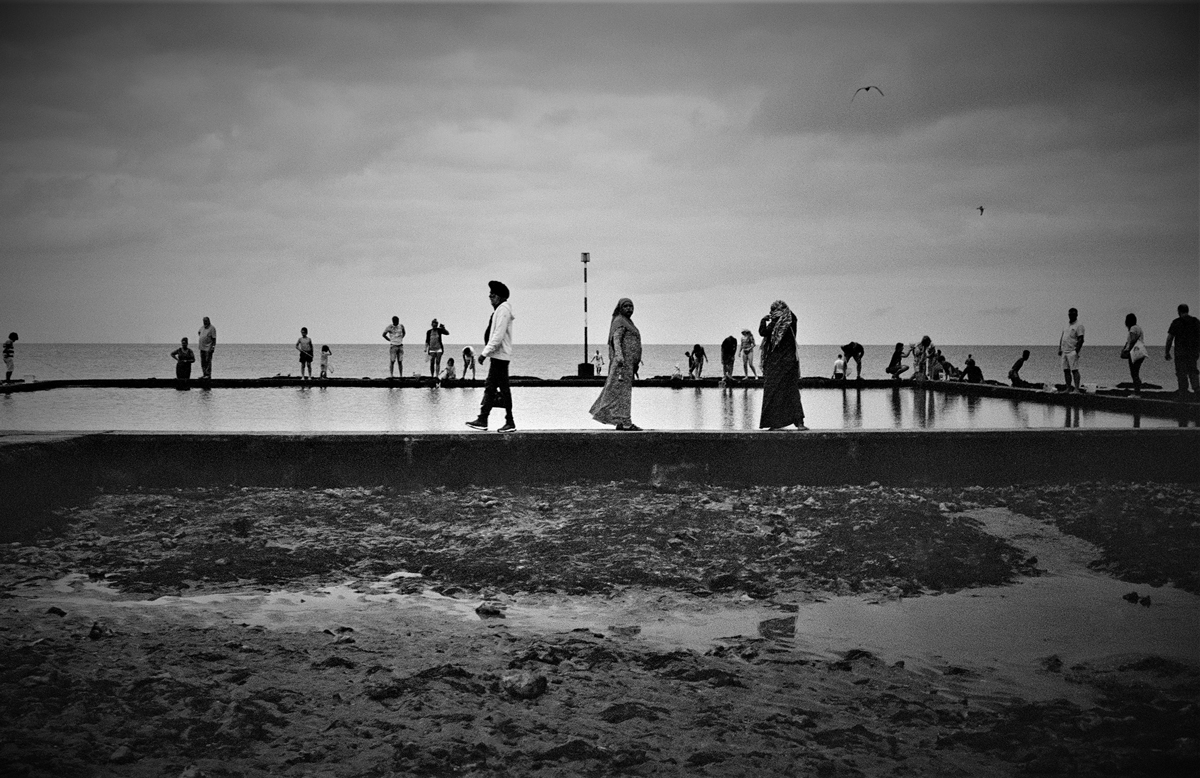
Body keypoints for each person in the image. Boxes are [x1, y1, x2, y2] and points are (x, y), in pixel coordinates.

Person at [466, 280, 516, 432]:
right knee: (492, 388)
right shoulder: (499, 310)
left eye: (492, 296)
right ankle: (485, 419)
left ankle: (505, 421)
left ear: (500, 297)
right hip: (498, 355)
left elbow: (498, 335)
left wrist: (484, 353)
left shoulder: (503, 310)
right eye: (489, 296)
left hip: (500, 356)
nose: (490, 298)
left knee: (498, 388)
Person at [589, 297, 643, 431]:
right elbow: (616, 339)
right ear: (620, 308)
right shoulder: (620, 321)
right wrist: (619, 356)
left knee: (620, 393)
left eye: (631, 306)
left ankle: (620, 421)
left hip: (628, 365)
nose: (629, 309)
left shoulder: (628, 322)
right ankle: (626, 422)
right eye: (626, 306)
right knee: (621, 393)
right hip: (622, 365)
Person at [758, 300, 807, 430]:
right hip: (789, 362)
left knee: (773, 392)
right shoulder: (791, 320)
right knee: (792, 392)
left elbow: (763, 332)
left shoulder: (775, 323)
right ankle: (799, 422)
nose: (771, 313)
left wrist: (763, 320)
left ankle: (774, 423)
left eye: (772, 311)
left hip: (775, 363)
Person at [1165, 303, 1199, 397]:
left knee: (1181, 373)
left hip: (1180, 353)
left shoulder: (1176, 322)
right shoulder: (1195, 321)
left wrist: (1167, 352)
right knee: (1193, 371)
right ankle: (1197, 390)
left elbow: (1170, 338)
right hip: (1193, 352)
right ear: (1187, 310)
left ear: (1179, 312)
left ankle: (1183, 392)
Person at [1058, 307, 1085, 392]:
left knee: (1074, 370)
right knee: (1066, 370)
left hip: (1072, 351)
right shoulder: (1066, 325)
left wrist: (1076, 351)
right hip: (1064, 350)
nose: (1071, 316)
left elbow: (1081, 339)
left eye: (1073, 314)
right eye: (1070, 314)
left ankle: (1076, 388)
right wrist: (1060, 348)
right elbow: (1062, 337)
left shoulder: (1079, 325)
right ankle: (1068, 387)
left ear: (1076, 315)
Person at [1122, 313, 1148, 394]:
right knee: (1135, 372)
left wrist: (1126, 350)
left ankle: (1137, 392)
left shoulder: (1133, 328)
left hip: (1135, 352)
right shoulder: (1138, 328)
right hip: (1139, 352)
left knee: (1134, 373)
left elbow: (1132, 340)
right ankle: (1137, 391)